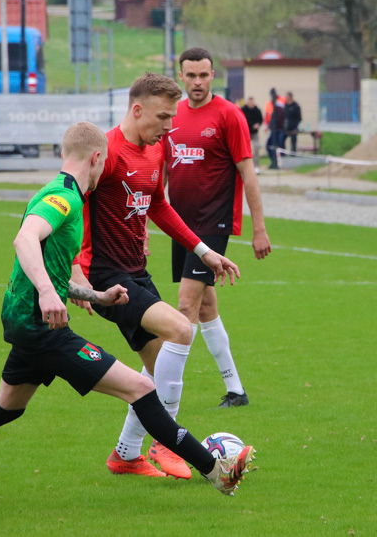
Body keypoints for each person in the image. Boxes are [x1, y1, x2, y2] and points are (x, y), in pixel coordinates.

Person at [0, 121, 255, 502]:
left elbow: (50, 267)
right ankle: (215, 471)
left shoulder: (59, 191)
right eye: (103, 162)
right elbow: (25, 238)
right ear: (95, 158)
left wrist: (94, 295)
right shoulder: (65, 197)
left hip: (28, 322)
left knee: (6, 406)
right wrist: (46, 293)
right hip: (43, 328)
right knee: (141, 388)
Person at [71, 73, 240, 480]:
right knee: (182, 329)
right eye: (163, 117)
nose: (169, 127)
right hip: (106, 275)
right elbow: (72, 204)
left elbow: (159, 206)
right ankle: (167, 444)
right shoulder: (107, 153)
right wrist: (77, 266)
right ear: (137, 109)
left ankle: (126, 455)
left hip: (136, 271)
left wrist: (204, 251)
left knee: (156, 371)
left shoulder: (158, 148)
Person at [166, 47, 272, 408]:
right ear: (180, 75)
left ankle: (162, 394)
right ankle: (236, 391)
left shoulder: (229, 116)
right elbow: (163, 173)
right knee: (207, 307)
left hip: (213, 223)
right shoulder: (173, 115)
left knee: (185, 308)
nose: (197, 82)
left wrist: (259, 229)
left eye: (204, 75)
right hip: (179, 226)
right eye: (191, 75)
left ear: (213, 75)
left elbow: (248, 173)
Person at [264, 88, 286, 169]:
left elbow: (281, 118)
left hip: (279, 130)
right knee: (269, 146)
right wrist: (268, 126)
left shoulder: (280, 103)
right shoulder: (270, 104)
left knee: (279, 147)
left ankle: (280, 163)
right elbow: (269, 116)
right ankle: (274, 162)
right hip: (274, 130)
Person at [241, 96, 264, 171]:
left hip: (254, 133)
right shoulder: (243, 110)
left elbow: (260, 120)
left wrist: (258, 124)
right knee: (245, 149)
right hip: (245, 132)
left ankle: (256, 166)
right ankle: (245, 166)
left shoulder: (257, 110)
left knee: (256, 148)